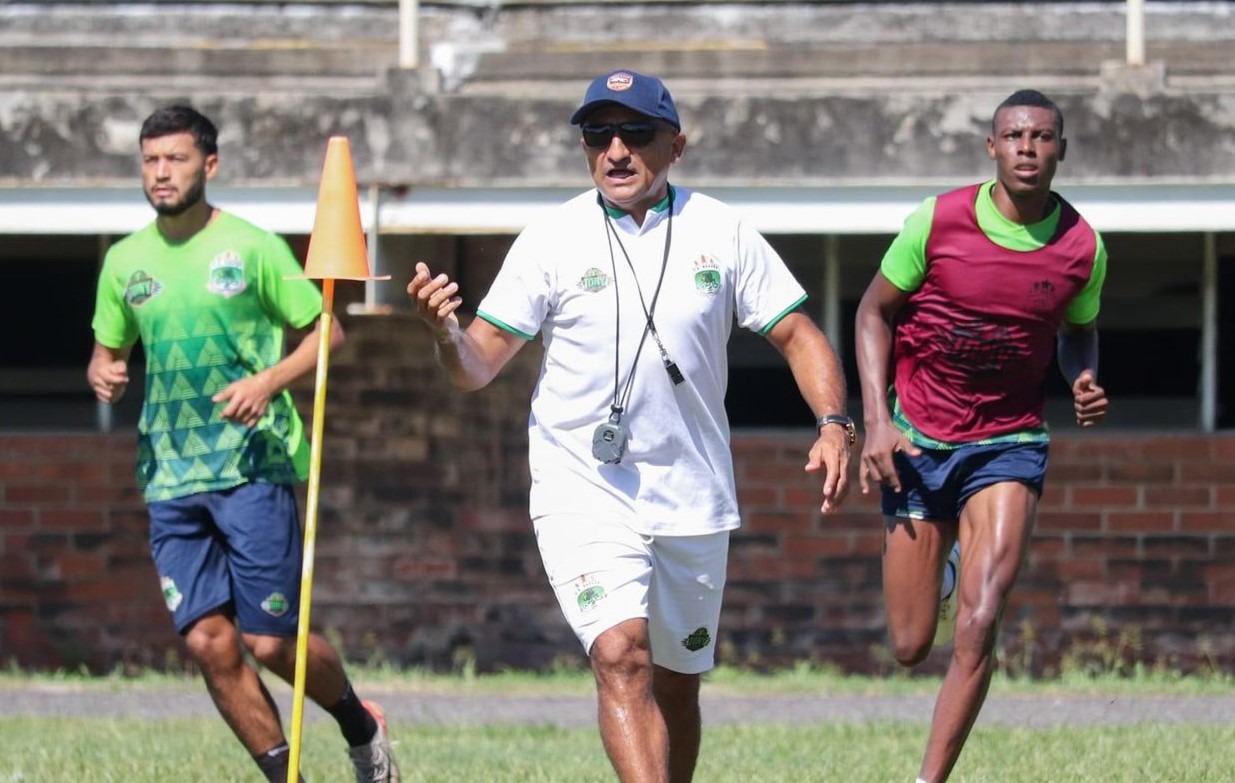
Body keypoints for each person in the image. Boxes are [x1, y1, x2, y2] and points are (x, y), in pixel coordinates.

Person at [408, 69, 852, 782]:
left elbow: (797, 333)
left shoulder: (720, 229)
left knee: (675, 681)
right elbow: (476, 366)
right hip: (583, 487)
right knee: (621, 656)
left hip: (692, 494)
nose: (615, 150)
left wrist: (833, 423)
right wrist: (444, 334)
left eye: (635, 132)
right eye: (597, 134)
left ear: (675, 145)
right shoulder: (551, 238)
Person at [87, 105, 400, 783]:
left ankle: (361, 726)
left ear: (209, 165)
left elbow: (326, 331)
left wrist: (267, 381)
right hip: (170, 475)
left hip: (254, 464)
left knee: (270, 641)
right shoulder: (123, 261)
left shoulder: (254, 247)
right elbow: (106, 353)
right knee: (209, 640)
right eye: (150, 160)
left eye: (175, 159)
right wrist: (103, 373)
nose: (161, 172)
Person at [855, 89, 1109, 783]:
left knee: (978, 619)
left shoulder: (1082, 246)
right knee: (910, 644)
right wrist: (876, 421)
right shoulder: (937, 221)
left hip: (1008, 442)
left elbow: (1078, 330)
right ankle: (943, 568)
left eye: (1042, 136)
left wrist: (1083, 374)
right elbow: (873, 312)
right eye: (1014, 135)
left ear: (1060, 149)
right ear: (991, 147)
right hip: (918, 438)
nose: (1028, 147)